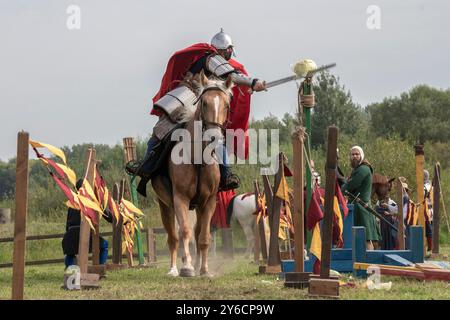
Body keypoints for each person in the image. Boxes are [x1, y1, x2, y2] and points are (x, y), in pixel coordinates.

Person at [127, 29, 266, 193]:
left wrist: (247, 87)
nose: (230, 53)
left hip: (204, 98)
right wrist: (253, 82)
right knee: (161, 128)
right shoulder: (211, 58)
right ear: (222, 49)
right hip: (187, 96)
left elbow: (230, 80)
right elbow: (232, 75)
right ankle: (147, 165)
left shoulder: (218, 60)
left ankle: (225, 173)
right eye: (228, 50)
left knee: (217, 133)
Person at [62, 179, 113, 269]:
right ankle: (99, 268)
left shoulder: (72, 201)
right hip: (85, 234)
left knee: (70, 251)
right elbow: (109, 217)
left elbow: (67, 224)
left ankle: (70, 271)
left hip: (70, 233)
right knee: (104, 245)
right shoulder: (92, 201)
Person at [341, 146, 380, 250]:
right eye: (352, 154)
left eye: (357, 154)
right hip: (357, 207)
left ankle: (369, 263)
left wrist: (344, 186)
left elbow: (349, 186)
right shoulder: (358, 169)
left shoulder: (363, 169)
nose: (354, 156)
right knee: (359, 239)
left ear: (361, 155)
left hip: (362, 207)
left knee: (366, 239)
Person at [423, 169, 433, 251]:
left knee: (428, 228)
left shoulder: (427, 186)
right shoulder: (426, 185)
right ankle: (427, 246)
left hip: (428, 210)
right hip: (425, 209)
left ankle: (430, 247)